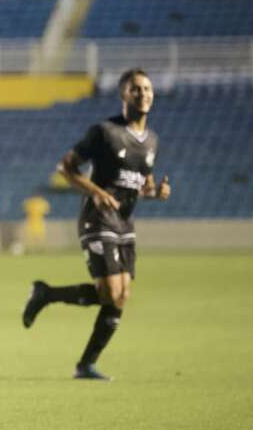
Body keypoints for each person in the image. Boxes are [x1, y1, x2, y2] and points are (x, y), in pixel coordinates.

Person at [21, 68, 171, 381]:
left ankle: (80, 356)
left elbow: (142, 185)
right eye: (135, 89)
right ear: (123, 95)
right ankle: (81, 359)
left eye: (147, 89)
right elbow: (66, 167)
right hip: (97, 218)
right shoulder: (104, 132)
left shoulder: (152, 140)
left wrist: (155, 193)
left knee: (119, 296)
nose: (143, 94)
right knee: (112, 291)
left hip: (124, 223)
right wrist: (97, 191)